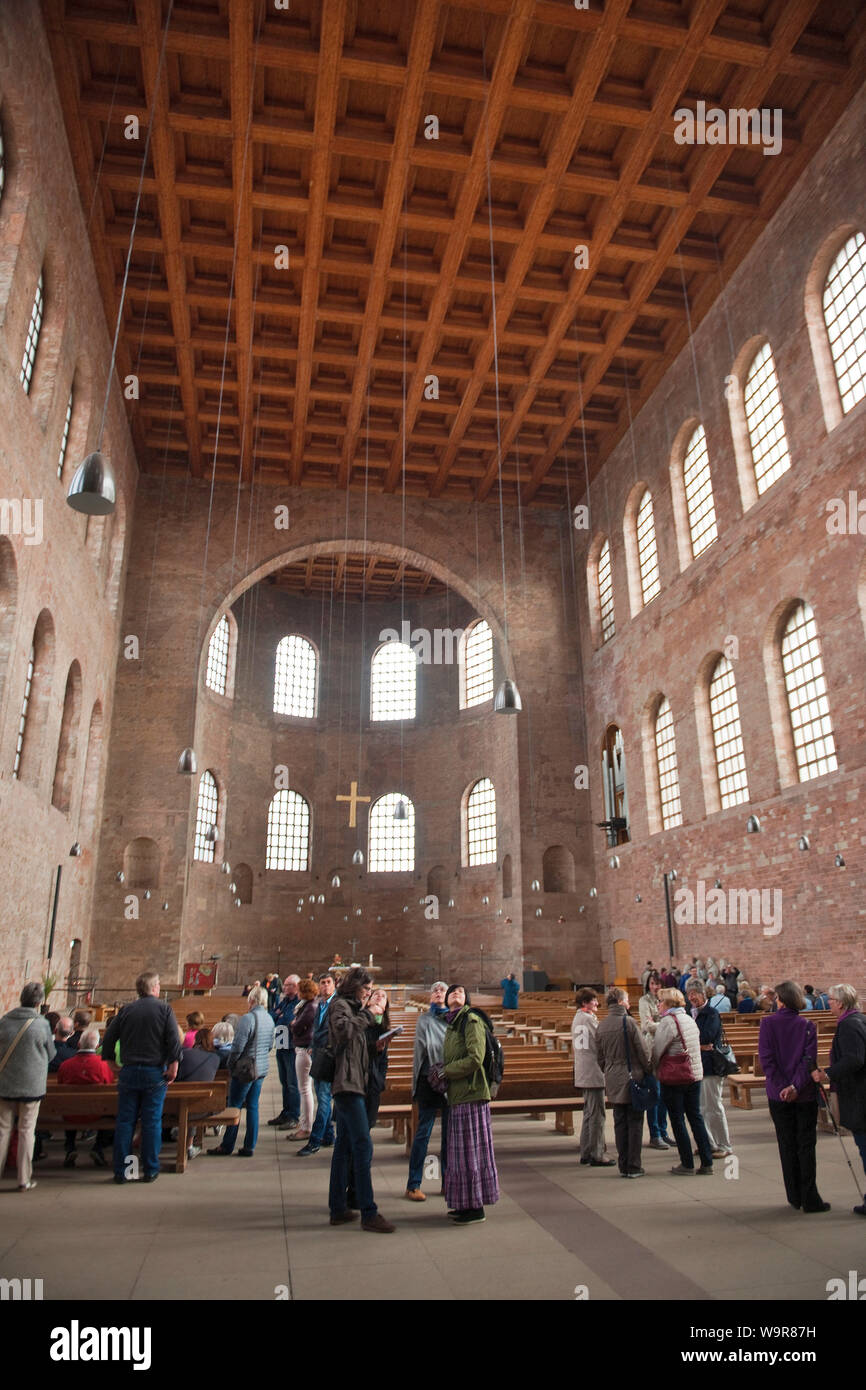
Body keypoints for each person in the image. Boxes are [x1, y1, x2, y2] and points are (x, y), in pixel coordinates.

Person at [327, 966, 394, 1233]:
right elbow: (342, 1032)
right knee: (363, 1146)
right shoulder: (340, 1005)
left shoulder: (353, 1008)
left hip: (356, 1082)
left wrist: (374, 1046)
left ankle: (338, 1208)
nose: (369, 993)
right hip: (347, 1084)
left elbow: (354, 1044)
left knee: (343, 1147)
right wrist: (369, 1013)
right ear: (356, 986)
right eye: (367, 988)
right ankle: (368, 1212)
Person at [101, 970, 181, 1184]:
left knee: (126, 1122)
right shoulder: (164, 1009)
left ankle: (125, 1171)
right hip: (154, 1072)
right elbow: (174, 1040)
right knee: (151, 1121)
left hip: (128, 1071)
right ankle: (150, 1170)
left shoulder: (126, 1010)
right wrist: (174, 1065)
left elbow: (108, 1037)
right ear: (154, 988)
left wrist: (110, 1062)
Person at [759, 979, 828, 1213]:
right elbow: (808, 1061)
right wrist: (796, 1086)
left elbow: (767, 1061)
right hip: (804, 1094)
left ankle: (794, 1196)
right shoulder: (807, 1025)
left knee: (787, 1144)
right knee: (806, 1145)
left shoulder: (767, 1025)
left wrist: (782, 1087)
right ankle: (810, 1198)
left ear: (780, 1000)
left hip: (778, 1095)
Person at [438, 984, 500, 1225]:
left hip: (472, 1093)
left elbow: (475, 1057)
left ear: (467, 999)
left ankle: (476, 1207)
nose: (455, 992)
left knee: (472, 1152)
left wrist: (445, 1073)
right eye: (451, 991)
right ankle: (466, 1204)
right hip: (459, 1093)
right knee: (461, 1153)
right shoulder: (452, 1024)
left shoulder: (470, 1020)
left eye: (460, 991)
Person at [811, 984, 866, 1216]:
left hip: (859, 1095)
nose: (829, 1003)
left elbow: (854, 1059)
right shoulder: (859, 1020)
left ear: (841, 1003)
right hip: (860, 1092)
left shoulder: (849, 1025)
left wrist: (827, 1073)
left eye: (831, 999)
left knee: (865, 1148)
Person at [652, 987, 715, 1175]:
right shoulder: (689, 1019)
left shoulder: (668, 1022)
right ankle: (707, 1162)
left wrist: (652, 1069)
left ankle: (687, 1163)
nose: (658, 1004)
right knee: (696, 1118)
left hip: (675, 1077)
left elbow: (658, 1050)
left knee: (678, 1120)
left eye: (661, 1001)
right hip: (694, 1075)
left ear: (669, 1004)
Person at [208, 985, 275, 1157]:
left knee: (234, 1106)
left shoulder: (248, 1018)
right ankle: (249, 1146)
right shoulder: (269, 1018)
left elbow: (237, 1047)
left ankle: (227, 1145)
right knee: (253, 1106)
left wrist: (231, 1064)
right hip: (260, 1070)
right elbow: (269, 1045)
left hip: (245, 1069)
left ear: (251, 1000)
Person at [0, 982, 55, 1191]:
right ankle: (23, 1179)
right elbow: (51, 1054)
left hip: (5, 1083)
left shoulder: (5, 1021)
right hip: (31, 1086)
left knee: (2, 1130)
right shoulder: (41, 1025)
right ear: (39, 1002)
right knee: (26, 1131)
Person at [596, 987, 652, 1178]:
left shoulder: (601, 1025)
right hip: (632, 1076)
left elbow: (600, 1057)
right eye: (626, 1000)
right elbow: (642, 1051)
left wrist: (609, 1070)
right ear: (620, 1002)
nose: (628, 1003)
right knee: (635, 1122)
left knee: (619, 1123)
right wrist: (648, 1069)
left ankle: (623, 1165)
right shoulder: (628, 1022)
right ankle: (634, 1166)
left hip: (612, 1077)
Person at [405, 980, 449, 1201]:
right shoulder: (424, 1020)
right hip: (427, 1081)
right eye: (435, 990)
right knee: (423, 1133)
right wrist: (415, 1087)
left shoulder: (456, 1020)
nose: (438, 992)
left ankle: (448, 1182)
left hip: (451, 1081)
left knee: (449, 1135)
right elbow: (419, 1055)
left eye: (442, 989)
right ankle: (413, 1184)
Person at [58, 1026, 115, 1168]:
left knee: (70, 1105)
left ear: (78, 1044)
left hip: (69, 1113)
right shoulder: (103, 1065)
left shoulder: (65, 1065)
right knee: (115, 1112)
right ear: (97, 1045)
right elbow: (109, 1086)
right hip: (97, 1113)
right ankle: (98, 1147)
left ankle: (70, 1146)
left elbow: (60, 1085)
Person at [687, 983, 733, 1158]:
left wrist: (695, 1044)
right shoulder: (690, 1012)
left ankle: (724, 1145)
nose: (691, 997)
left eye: (694, 994)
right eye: (689, 994)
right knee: (700, 1107)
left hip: (711, 1065)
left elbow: (707, 1036)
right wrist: (699, 1046)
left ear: (702, 994)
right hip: (697, 1065)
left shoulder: (711, 1013)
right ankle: (709, 1143)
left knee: (714, 1107)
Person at [572, 987, 613, 1167]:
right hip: (593, 1071)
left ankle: (586, 1151)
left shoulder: (577, 1018)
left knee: (589, 1112)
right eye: (593, 1001)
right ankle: (597, 1154)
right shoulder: (588, 1019)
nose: (597, 1003)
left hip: (583, 1070)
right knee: (597, 1114)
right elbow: (601, 1040)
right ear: (584, 1003)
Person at [297, 974, 337, 1156]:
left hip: (330, 1056)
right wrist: (313, 1046)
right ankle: (328, 1136)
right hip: (319, 1055)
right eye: (323, 983)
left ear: (334, 985)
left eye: (329, 983)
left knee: (323, 1098)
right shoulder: (320, 1004)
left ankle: (315, 1141)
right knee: (322, 1096)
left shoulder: (337, 1005)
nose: (326, 986)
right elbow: (316, 1029)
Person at [638, 974, 674, 1150]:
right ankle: (655, 1134)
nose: (655, 986)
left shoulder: (666, 999)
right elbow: (646, 1025)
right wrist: (666, 1024)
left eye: (658, 983)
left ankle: (664, 1131)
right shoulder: (644, 1001)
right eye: (652, 984)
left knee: (665, 1096)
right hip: (651, 1050)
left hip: (666, 1049)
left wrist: (660, 1022)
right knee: (655, 1093)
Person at [289, 977, 319, 1142]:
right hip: (305, 1047)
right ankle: (306, 1125)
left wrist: (293, 1024)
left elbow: (297, 1025)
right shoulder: (309, 1005)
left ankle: (306, 1126)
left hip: (304, 1049)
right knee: (306, 1089)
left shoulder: (310, 1007)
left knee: (305, 1089)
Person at [270, 974, 300, 1130]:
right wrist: (277, 1015)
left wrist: (279, 1017)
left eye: (288, 985)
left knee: (292, 1083)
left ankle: (294, 1115)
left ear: (296, 987)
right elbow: (271, 1016)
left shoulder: (299, 1002)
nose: (284, 987)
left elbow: (287, 1020)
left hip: (291, 1047)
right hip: (281, 1044)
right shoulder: (284, 1001)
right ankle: (286, 1112)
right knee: (284, 1082)